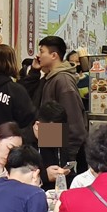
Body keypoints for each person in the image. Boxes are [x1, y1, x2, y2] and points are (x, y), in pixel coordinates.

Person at [21, 36, 88, 173]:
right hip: (47, 152)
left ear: (53, 55)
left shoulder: (62, 81)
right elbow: (25, 95)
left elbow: (75, 128)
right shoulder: (48, 78)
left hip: (58, 159)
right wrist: (34, 71)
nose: (38, 56)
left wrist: (67, 158)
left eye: (41, 51)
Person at [32, 101, 72, 191]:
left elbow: (66, 163)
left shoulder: (60, 138)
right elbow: (18, 179)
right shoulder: (23, 143)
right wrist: (44, 176)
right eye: (52, 132)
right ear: (38, 125)